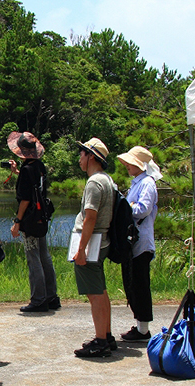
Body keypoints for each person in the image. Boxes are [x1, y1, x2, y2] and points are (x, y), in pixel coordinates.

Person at [72, 138, 115, 357]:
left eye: (81, 154)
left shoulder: (94, 183)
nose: (79, 158)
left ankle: (100, 342)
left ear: (91, 156)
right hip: (101, 241)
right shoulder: (107, 180)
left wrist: (81, 249)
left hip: (93, 243)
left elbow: (90, 218)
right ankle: (106, 335)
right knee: (101, 291)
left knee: (94, 294)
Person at [7, 131, 60, 313]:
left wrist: (17, 221)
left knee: (33, 258)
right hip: (42, 218)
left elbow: (25, 199)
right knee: (44, 255)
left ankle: (38, 300)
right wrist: (17, 172)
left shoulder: (27, 170)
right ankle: (51, 297)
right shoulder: (39, 166)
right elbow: (34, 184)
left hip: (30, 219)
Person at [117, 146, 162, 342]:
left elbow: (142, 210)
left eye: (130, 163)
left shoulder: (147, 184)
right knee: (132, 283)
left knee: (140, 285)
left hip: (141, 242)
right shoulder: (138, 183)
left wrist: (125, 206)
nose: (127, 166)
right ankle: (140, 326)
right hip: (133, 242)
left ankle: (143, 329)